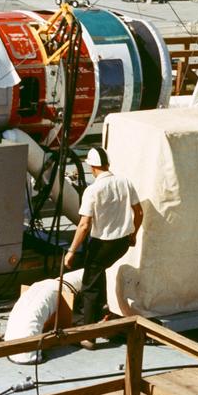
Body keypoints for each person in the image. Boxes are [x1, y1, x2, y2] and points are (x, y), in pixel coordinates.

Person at [63, 146, 142, 346]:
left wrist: (71, 251)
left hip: (102, 244)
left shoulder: (93, 190)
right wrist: (133, 235)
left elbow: (84, 225)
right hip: (122, 243)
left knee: (90, 284)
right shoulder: (125, 182)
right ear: (107, 164)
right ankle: (103, 314)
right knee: (99, 275)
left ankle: (88, 336)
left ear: (92, 167)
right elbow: (139, 212)